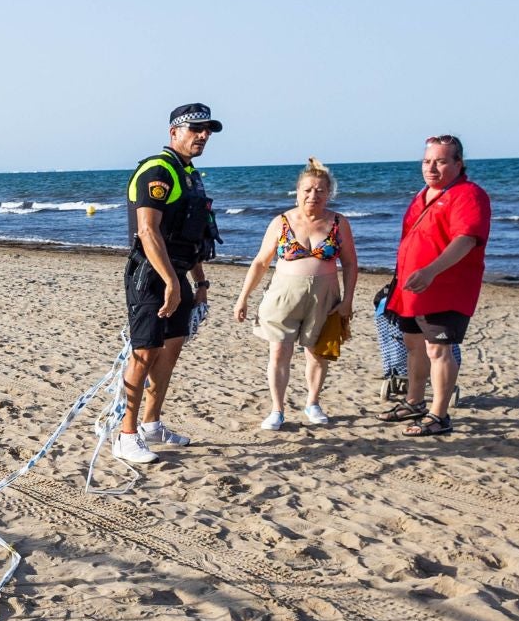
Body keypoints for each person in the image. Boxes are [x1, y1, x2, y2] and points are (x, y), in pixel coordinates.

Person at [114, 103, 222, 464]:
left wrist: (199, 281)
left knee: (170, 350)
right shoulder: (157, 170)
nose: (203, 135)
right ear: (174, 132)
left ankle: (151, 423)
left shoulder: (188, 174)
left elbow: (188, 234)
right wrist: (170, 282)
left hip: (177, 274)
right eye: (196, 129)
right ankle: (125, 435)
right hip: (151, 276)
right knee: (144, 353)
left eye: (207, 130)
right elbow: (148, 230)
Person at [380, 135, 490, 438]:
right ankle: (414, 402)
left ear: (458, 163)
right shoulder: (423, 194)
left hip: (446, 288)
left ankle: (440, 415)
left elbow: (465, 240)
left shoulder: (468, 194)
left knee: (438, 348)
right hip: (411, 288)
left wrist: (430, 271)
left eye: (441, 161)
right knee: (413, 345)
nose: (432, 167)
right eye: (427, 161)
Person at [233, 158, 357, 428]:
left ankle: (312, 403)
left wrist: (347, 300)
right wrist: (243, 298)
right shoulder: (281, 221)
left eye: (320, 190)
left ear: (329, 193)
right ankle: (277, 410)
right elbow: (260, 262)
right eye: (307, 190)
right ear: (298, 191)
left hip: (324, 298)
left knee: (317, 353)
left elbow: (349, 264)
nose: (313, 195)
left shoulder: (338, 222)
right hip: (283, 298)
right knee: (278, 351)